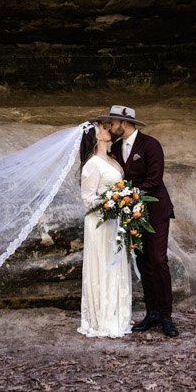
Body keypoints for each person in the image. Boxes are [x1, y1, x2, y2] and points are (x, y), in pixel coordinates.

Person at [99, 105, 178, 337]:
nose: (110, 128)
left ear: (123, 123)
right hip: (133, 214)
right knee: (143, 262)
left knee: (158, 260)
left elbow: (154, 181)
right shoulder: (115, 147)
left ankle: (166, 316)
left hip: (155, 211)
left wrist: (127, 197)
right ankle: (152, 312)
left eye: (112, 124)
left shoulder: (151, 145)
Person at [77, 120, 133, 337]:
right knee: (104, 265)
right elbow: (87, 198)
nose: (108, 129)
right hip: (100, 223)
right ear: (97, 136)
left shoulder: (112, 159)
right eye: (103, 128)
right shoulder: (92, 164)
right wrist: (111, 202)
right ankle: (102, 319)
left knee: (116, 264)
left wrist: (122, 202)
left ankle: (118, 315)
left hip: (115, 221)